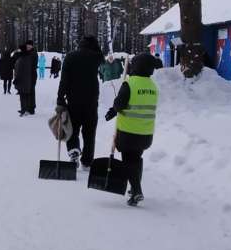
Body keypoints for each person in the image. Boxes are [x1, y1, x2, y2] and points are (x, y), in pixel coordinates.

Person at [105, 53, 159, 207]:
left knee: (128, 161)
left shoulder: (130, 83)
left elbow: (120, 104)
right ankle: (135, 188)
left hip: (129, 132)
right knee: (136, 159)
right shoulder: (152, 86)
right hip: (146, 133)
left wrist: (114, 108)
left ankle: (136, 190)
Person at [57, 36, 105, 167]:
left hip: (73, 100)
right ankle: (87, 160)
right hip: (91, 101)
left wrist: (60, 99)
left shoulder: (70, 56)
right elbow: (102, 56)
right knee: (89, 132)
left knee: (72, 128)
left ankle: (73, 150)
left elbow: (64, 80)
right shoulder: (96, 57)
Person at [13, 41, 38, 116]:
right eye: (27, 45)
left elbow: (33, 65)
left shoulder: (33, 53)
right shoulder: (26, 53)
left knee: (31, 91)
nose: (28, 47)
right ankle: (27, 108)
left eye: (30, 45)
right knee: (27, 91)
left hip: (32, 74)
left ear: (32, 46)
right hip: (27, 74)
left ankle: (31, 108)